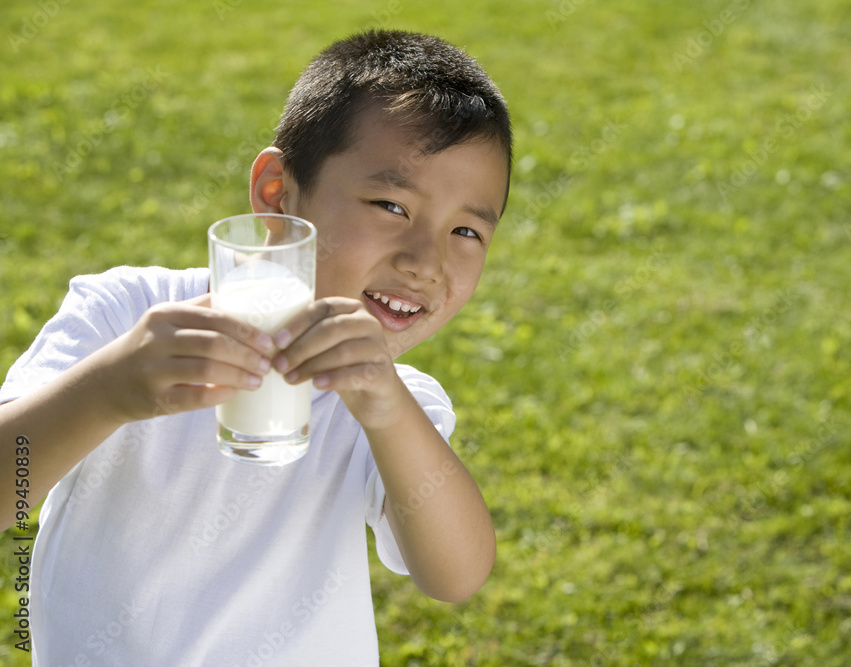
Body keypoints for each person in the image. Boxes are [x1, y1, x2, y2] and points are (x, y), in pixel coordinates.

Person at [0, 29, 511, 665]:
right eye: (391, 204)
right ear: (277, 194)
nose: (425, 262)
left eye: (466, 230)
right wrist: (111, 391)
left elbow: (455, 576)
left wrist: (387, 411)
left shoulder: (393, 405)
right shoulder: (126, 315)